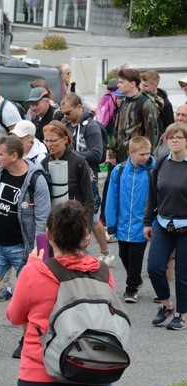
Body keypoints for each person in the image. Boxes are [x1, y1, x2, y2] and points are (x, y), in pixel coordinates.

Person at [7, 200, 115, 386]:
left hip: (42, 376)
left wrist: (30, 267)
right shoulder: (104, 274)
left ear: (48, 234)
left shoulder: (35, 273)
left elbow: (14, 317)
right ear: (86, 237)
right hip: (93, 370)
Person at [0, 135, 50, 359]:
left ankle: (27, 340)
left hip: (23, 249)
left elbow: (43, 220)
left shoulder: (36, 180)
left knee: (27, 296)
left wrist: (38, 253)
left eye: (0, 154)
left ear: (14, 156)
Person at [59, 94, 113, 264]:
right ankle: (101, 251)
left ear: (79, 107)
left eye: (68, 112)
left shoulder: (91, 127)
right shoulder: (65, 125)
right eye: (63, 113)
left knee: (89, 215)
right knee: (81, 215)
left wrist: (71, 155)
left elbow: (97, 155)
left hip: (88, 178)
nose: (65, 116)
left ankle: (102, 252)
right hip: (70, 177)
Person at [144, 122, 187, 331]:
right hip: (163, 223)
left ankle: (182, 314)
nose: (175, 140)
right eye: (171, 137)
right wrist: (146, 222)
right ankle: (167, 305)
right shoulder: (161, 164)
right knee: (154, 267)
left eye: (179, 137)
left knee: (183, 274)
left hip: (186, 226)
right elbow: (152, 196)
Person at [105, 136, 154, 303]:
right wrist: (111, 223)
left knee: (135, 257)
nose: (146, 157)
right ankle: (137, 280)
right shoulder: (119, 171)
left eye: (148, 153)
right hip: (123, 223)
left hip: (142, 224)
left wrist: (151, 222)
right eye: (142, 154)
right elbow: (112, 198)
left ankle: (131, 288)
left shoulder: (152, 171)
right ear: (131, 152)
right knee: (123, 254)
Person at [41, 121, 96, 229]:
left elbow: (88, 199)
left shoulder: (79, 162)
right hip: (53, 223)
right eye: (46, 141)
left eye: (53, 140)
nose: (49, 144)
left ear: (65, 139)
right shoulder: (44, 163)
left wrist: (86, 230)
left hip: (74, 223)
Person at [110, 67, 162, 164]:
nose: (118, 85)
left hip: (138, 159)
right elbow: (117, 128)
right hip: (122, 158)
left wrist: (147, 159)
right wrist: (112, 151)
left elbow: (152, 135)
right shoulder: (124, 101)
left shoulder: (146, 104)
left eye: (121, 82)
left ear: (132, 84)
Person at [141, 70, 174, 137]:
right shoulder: (141, 98)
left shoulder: (165, 104)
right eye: (141, 85)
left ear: (155, 85)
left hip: (158, 138)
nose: (142, 88)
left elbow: (169, 125)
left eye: (146, 86)